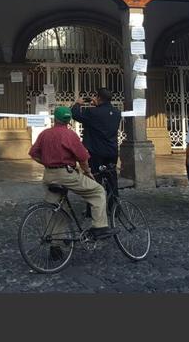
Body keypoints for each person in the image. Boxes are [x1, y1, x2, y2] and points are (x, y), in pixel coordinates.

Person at [28, 105, 114, 245]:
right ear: (68, 121)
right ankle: (99, 227)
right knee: (98, 191)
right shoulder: (69, 135)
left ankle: (55, 244)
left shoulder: (45, 134)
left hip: (49, 175)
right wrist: (87, 173)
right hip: (66, 174)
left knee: (57, 209)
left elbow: (33, 154)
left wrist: (47, 163)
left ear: (54, 119)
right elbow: (83, 158)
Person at [72, 88, 122, 200]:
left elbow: (75, 115)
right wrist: (97, 105)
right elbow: (103, 120)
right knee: (112, 179)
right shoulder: (117, 113)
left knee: (95, 180)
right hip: (111, 151)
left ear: (99, 98)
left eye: (95, 96)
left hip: (96, 152)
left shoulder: (92, 112)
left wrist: (78, 104)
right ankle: (114, 207)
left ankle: (94, 208)